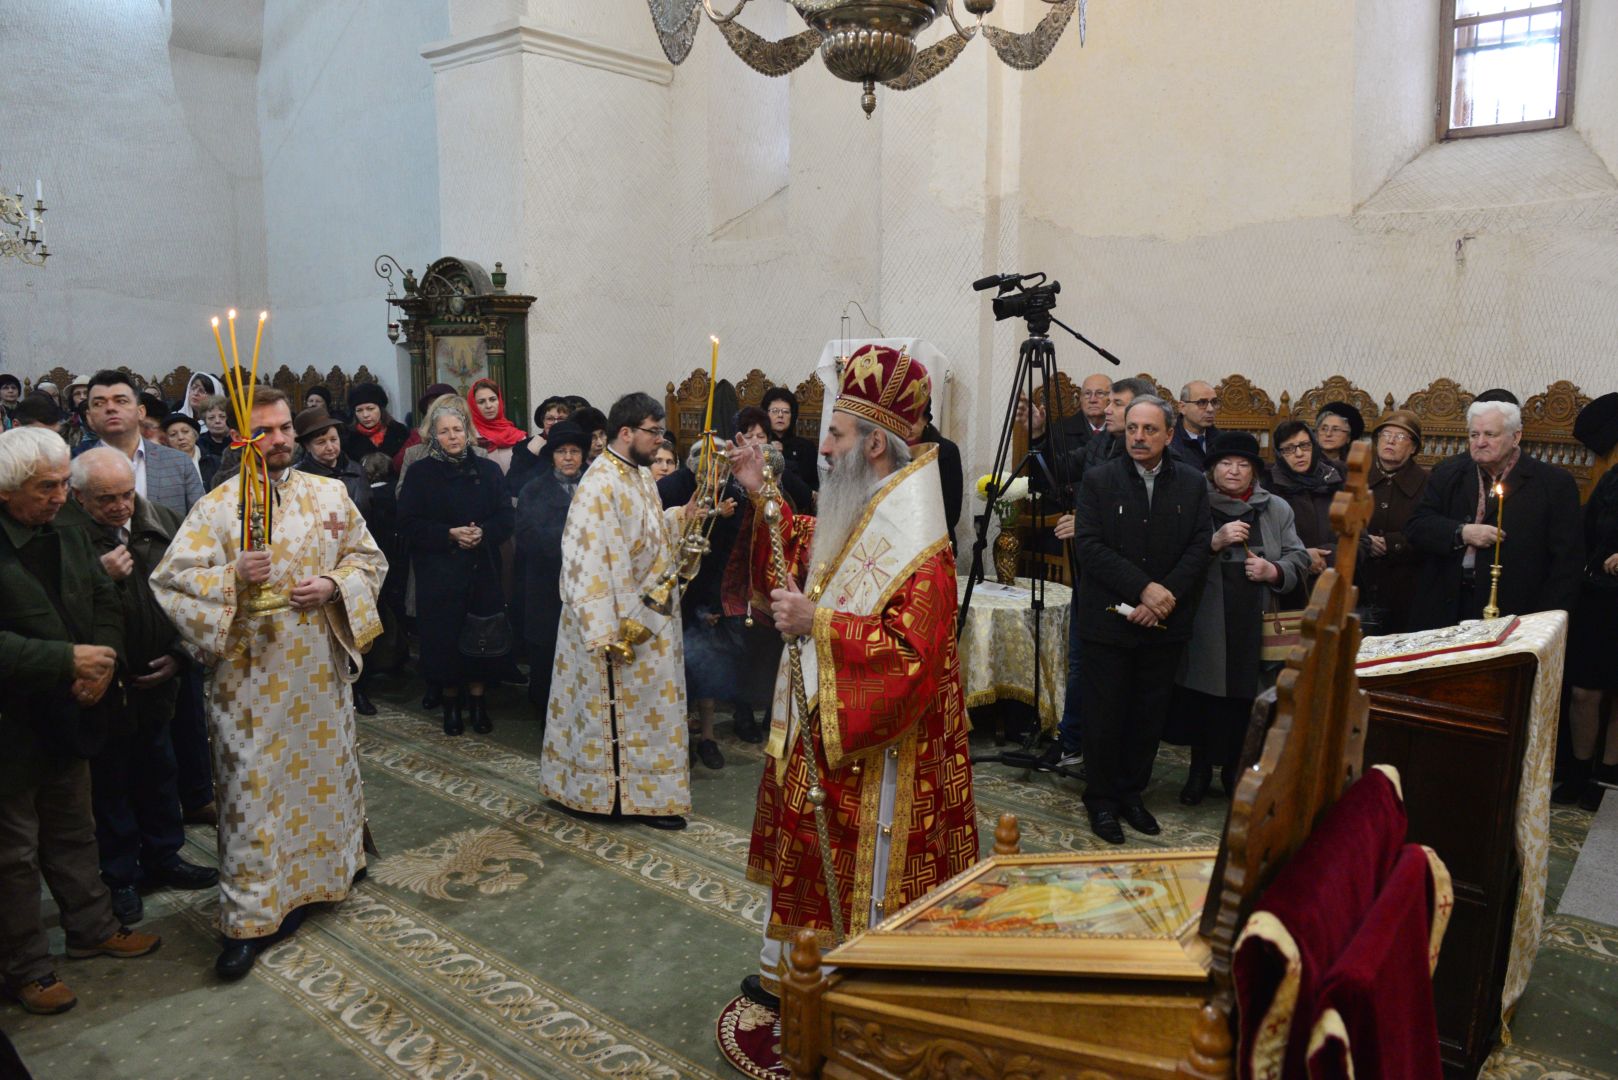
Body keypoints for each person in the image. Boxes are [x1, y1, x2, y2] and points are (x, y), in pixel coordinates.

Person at [725, 344, 976, 1008]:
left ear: (873, 446)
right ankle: (797, 974)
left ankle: (852, 991)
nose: (824, 448)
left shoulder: (923, 548)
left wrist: (820, 624)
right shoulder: (871, 499)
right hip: (831, 736)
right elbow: (817, 544)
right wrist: (762, 494)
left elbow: (910, 656)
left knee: (847, 864)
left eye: (835, 434)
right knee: (806, 850)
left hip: (881, 761)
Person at [151, 387, 387, 981]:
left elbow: (369, 559)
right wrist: (231, 576)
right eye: (265, 432)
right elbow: (171, 583)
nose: (279, 440)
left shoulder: (330, 493)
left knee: (321, 773)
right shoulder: (217, 507)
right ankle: (252, 915)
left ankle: (327, 875)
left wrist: (334, 586)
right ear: (240, 438)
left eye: (284, 429)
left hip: (316, 668)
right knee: (253, 790)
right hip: (250, 674)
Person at [0, 428, 162, 1015]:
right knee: (14, 855)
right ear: (6, 490)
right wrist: (63, 659)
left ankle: (93, 929)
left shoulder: (65, 523)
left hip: (72, 706)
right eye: (46, 487)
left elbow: (103, 598)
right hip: (11, 719)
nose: (59, 496)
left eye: (66, 484)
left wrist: (103, 661)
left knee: (74, 829)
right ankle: (26, 967)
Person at [59, 449, 218, 925]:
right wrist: (97, 577)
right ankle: (120, 875)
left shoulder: (162, 521)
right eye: (106, 499)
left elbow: (192, 592)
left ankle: (166, 856)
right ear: (79, 496)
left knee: (160, 771)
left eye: (127, 494)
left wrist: (179, 653)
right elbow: (53, 611)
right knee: (111, 785)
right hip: (102, 685)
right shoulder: (62, 536)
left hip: (159, 676)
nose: (120, 506)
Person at [539, 392, 693, 830]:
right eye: (654, 432)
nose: (660, 441)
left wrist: (683, 515)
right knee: (615, 711)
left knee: (650, 711)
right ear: (626, 433)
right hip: (617, 623)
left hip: (650, 613)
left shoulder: (639, 475)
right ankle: (615, 796)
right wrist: (610, 633)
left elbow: (649, 531)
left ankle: (647, 795)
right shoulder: (599, 483)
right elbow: (585, 560)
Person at [1072, 395, 1212, 844]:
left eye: (1150, 429)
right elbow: (1090, 546)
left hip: (1165, 621)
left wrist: (1161, 597)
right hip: (1109, 621)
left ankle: (1133, 795)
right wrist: (1142, 588)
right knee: (1105, 712)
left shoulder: (1191, 483)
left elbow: (1199, 544)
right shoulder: (1098, 480)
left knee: (1148, 714)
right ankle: (1102, 800)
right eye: (1133, 428)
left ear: (1169, 434)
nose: (1139, 436)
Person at [1174, 432, 1309, 804]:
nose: (1233, 471)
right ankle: (1199, 770)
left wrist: (1274, 571)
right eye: (1225, 463)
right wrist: (1214, 543)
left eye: (1243, 464)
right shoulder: (1193, 501)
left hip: (1257, 619)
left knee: (1248, 700)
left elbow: (1299, 556)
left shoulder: (1276, 508)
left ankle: (1237, 771)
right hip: (1206, 620)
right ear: (1212, 468)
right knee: (1205, 699)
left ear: (1254, 472)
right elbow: (1171, 557)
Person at [1032, 376, 1157, 772]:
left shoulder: (1143, 461)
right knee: (1079, 661)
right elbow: (1063, 467)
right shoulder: (1102, 442)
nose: (1107, 409)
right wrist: (1037, 435)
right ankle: (1071, 741)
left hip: (1127, 581)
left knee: (1107, 671)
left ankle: (1097, 752)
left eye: (1117, 404)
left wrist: (1082, 522)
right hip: (1091, 574)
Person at [1405, 400, 1582, 629]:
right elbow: (1416, 526)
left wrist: (1546, 623)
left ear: (1515, 437)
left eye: (1490, 434)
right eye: (1473, 434)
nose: (1480, 442)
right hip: (1447, 606)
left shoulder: (1554, 484)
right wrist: (1462, 532)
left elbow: (1567, 563)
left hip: (1519, 613)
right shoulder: (1447, 473)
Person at [396, 398, 514, 736]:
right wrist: (448, 534)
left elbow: (506, 516)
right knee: (444, 641)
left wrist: (483, 532)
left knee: (481, 638)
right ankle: (451, 704)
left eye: (457, 430)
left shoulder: (488, 469)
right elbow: (407, 523)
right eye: (444, 431)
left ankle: (478, 702)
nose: (452, 436)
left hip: (481, 569)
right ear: (433, 436)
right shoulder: (420, 473)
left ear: (468, 432)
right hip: (439, 573)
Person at [659, 434, 744, 771]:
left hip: (710, 592)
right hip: (672, 594)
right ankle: (680, 740)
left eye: (722, 465)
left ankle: (708, 739)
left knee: (707, 670)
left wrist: (717, 604)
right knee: (676, 673)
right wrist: (708, 515)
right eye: (710, 464)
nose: (715, 471)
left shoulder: (733, 493)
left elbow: (731, 550)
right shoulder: (670, 488)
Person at [296, 407, 378, 715]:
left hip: (352, 561)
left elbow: (367, 513)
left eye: (333, 440)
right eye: (321, 443)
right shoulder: (301, 478)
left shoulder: (356, 470)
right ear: (306, 447)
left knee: (357, 626)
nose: (330, 447)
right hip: (318, 564)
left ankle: (360, 688)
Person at [1560, 393, 1618, 810]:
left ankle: (1609, 773)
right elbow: (1585, 532)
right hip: (1599, 598)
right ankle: (1580, 770)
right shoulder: (1613, 479)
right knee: (1585, 690)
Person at [514, 421, 591, 721]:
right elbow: (528, 536)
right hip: (546, 586)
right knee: (546, 655)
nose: (569, 457)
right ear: (552, 456)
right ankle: (546, 717)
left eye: (574, 451)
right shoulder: (533, 490)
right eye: (562, 451)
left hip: (587, 587)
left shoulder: (593, 487)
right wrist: (571, 552)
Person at [77, 370, 204, 516]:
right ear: (89, 417)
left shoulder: (180, 463)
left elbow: (201, 522)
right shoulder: (79, 471)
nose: (110, 408)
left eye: (121, 401)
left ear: (141, 412)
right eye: (99, 403)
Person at [1358, 410, 1430, 635]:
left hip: (1405, 587)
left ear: (1414, 447)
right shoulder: (1355, 475)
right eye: (1385, 434)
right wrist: (1362, 540)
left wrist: (1393, 543)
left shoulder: (1429, 483)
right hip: (1358, 581)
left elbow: (1431, 531)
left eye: (1400, 437)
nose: (1390, 440)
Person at [1266, 419, 1343, 608]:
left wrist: (1328, 556)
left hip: (1337, 585)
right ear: (1279, 454)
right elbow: (1266, 546)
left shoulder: (1336, 480)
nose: (1299, 454)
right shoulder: (1268, 488)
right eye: (1289, 449)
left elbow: (1361, 540)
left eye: (1304, 445)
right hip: (1290, 593)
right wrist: (1303, 557)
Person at [910, 400, 963, 544]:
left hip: (936, 540)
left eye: (914, 418)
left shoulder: (947, 451)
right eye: (903, 419)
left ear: (926, 419)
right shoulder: (888, 450)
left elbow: (952, 511)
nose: (908, 425)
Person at [760, 386, 820, 494]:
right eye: (774, 411)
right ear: (765, 414)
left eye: (786, 411)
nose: (780, 415)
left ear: (792, 416)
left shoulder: (806, 447)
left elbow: (811, 484)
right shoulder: (758, 444)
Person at [389, 382, 456, 475]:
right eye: (433, 405)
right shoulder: (417, 434)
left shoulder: (463, 435)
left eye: (443, 404)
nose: (437, 409)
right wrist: (423, 438)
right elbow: (398, 465)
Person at [344, 382, 410, 472]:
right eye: (359, 410)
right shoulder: (349, 437)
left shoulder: (399, 431)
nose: (365, 415)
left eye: (370, 409)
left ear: (381, 409)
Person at [467, 377, 527, 474]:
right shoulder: (468, 436)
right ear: (473, 405)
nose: (488, 406)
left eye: (493, 399)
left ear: (499, 401)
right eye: (481, 402)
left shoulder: (517, 436)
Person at [1171, 380, 1222, 470]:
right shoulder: (1168, 442)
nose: (1210, 409)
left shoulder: (1223, 440)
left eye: (1214, 402)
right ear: (1182, 407)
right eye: (1201, 403)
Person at [162, 412, 215, 489]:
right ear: (166, 441)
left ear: (195, 434)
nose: (180, 437)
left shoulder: (214, 462)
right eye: (173, 434)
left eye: (185, 431)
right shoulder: (162, 468)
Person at [1314, 401, 1364, 470]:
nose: (1328, 434)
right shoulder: (1303, 460)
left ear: (1348, 437)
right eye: (1324, 429)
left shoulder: (1357, 466)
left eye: (1335, 430)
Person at [198, 395, 236, 461]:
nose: (217, 421)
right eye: (211, 418)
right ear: (205, 421)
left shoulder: (239, 441)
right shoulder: (199, 444)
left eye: (222, 416)